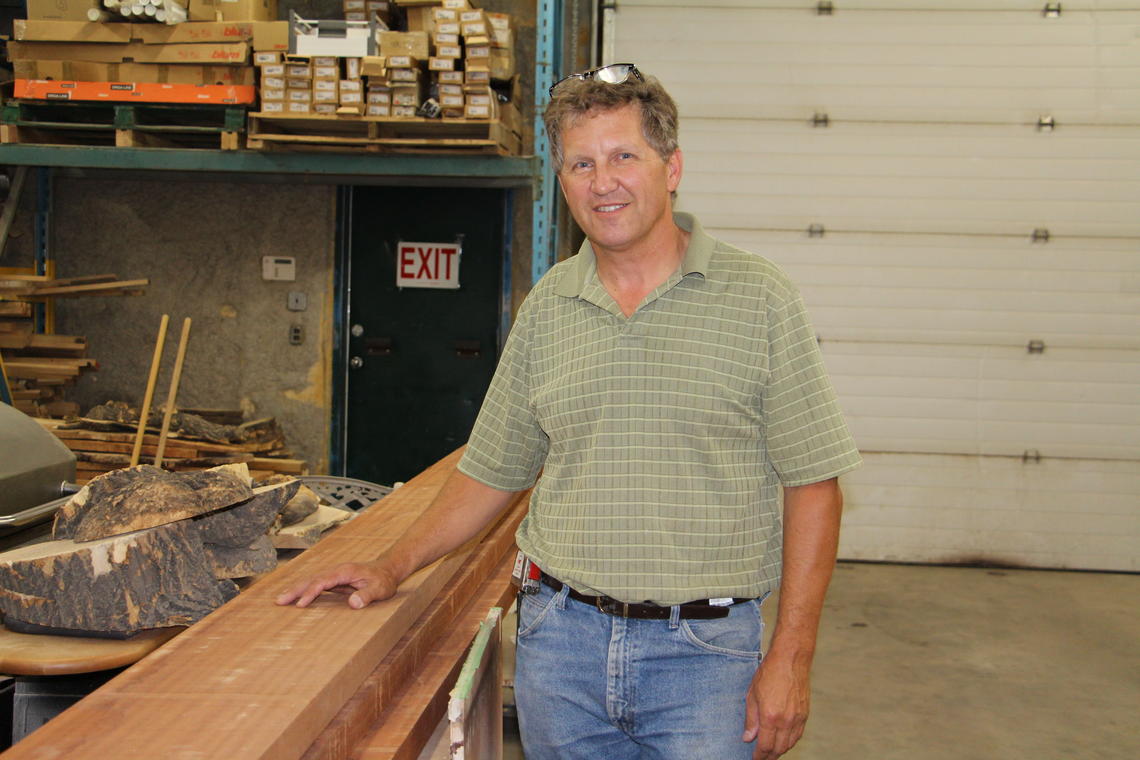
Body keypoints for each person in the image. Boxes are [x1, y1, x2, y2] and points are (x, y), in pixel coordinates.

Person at [278, 64, 861, 760]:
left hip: (705, 658)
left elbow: (814, 486)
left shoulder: (759, 300)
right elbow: (493, 469)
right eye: (581, 163)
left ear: (671, 167)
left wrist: (792, 658)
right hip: (559, 647)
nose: (601, 181)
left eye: (623, 156)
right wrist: (393, 565)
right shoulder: (550, 306)